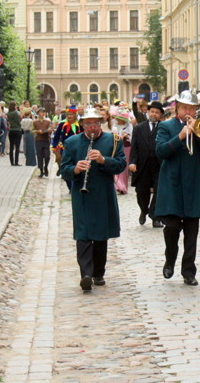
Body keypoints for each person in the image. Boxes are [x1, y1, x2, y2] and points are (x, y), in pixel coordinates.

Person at [60, 107, 127, 291]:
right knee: (83, 234)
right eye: (88, 124)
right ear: (82, 125)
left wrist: (103, 160)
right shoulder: (72, 142)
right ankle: (86, 274)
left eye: (95, 123)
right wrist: (75, 169)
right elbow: (63, 169)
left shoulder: (112, 140)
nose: (92, 127)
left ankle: (98, 273)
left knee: (100, 235)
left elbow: (121, 165)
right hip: (82, 194)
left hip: (103, 193)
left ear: (101, 123)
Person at [155, 91, 200, 286]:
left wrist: (198, 134)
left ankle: (189, 271)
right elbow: (161, 151)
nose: (188, 111)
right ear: (177, 108)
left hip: (192, 184)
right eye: (184, 108)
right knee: (171, 227)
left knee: (192, 231)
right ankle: (170, 259)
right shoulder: (165, 126)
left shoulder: (199, 127)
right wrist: (180, 136)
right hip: (171, 184)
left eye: (191, 108)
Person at [130, 101, 164, 228]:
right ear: (148, 112)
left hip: (159, 164)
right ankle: (144, 210)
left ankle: (155, 216)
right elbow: (134, 147)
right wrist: (132, 162)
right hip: (142, 165)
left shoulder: (163, 127)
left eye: (157, 112)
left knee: (160, 190)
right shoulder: (139, 128)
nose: (154, 114)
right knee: (141, 192)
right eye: (152, 111)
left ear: (160, 114)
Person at [52, 106, 82, 185]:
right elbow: (56, 136)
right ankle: (70, 186)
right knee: (66, 169)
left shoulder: (79, 125)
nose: (69, 116)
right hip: (64, 150)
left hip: (77, 150)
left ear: (75, 115)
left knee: (76, 168)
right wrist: (54, 146)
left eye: (71, 114)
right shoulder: (62, 124)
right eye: (67, 114)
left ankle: (75, 185)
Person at [110, 107, 133, 194]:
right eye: (118, 119)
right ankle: (117, 185)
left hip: (126, 147)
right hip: (116, 147)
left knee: (124, 167)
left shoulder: (129, 126)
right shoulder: (114, 127)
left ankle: (123, 187)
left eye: (120, 119)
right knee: (116, 165)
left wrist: (127, 136)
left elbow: (132, 138)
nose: (118, 120)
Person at [33, 108, 52, 177]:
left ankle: (45, 167)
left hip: (46, 139)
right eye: (41, 112)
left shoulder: (47, 121)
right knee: (39, 156)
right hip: (38, 140)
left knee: (47, 156)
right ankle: (41, 171)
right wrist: (37, 131)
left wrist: (49, 130)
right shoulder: (35, 122)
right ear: (38, 113)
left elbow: (50, 129)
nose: (42, 114)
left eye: (43, 112)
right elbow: (31, 130)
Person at [7, 101, 22, 166]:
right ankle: (16, 161)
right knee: (17, 147)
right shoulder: (16, 113)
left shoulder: (9, 113)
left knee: (11, 146)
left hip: (11, 130)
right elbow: (19, 120)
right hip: (17, 130)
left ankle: (11, 161)